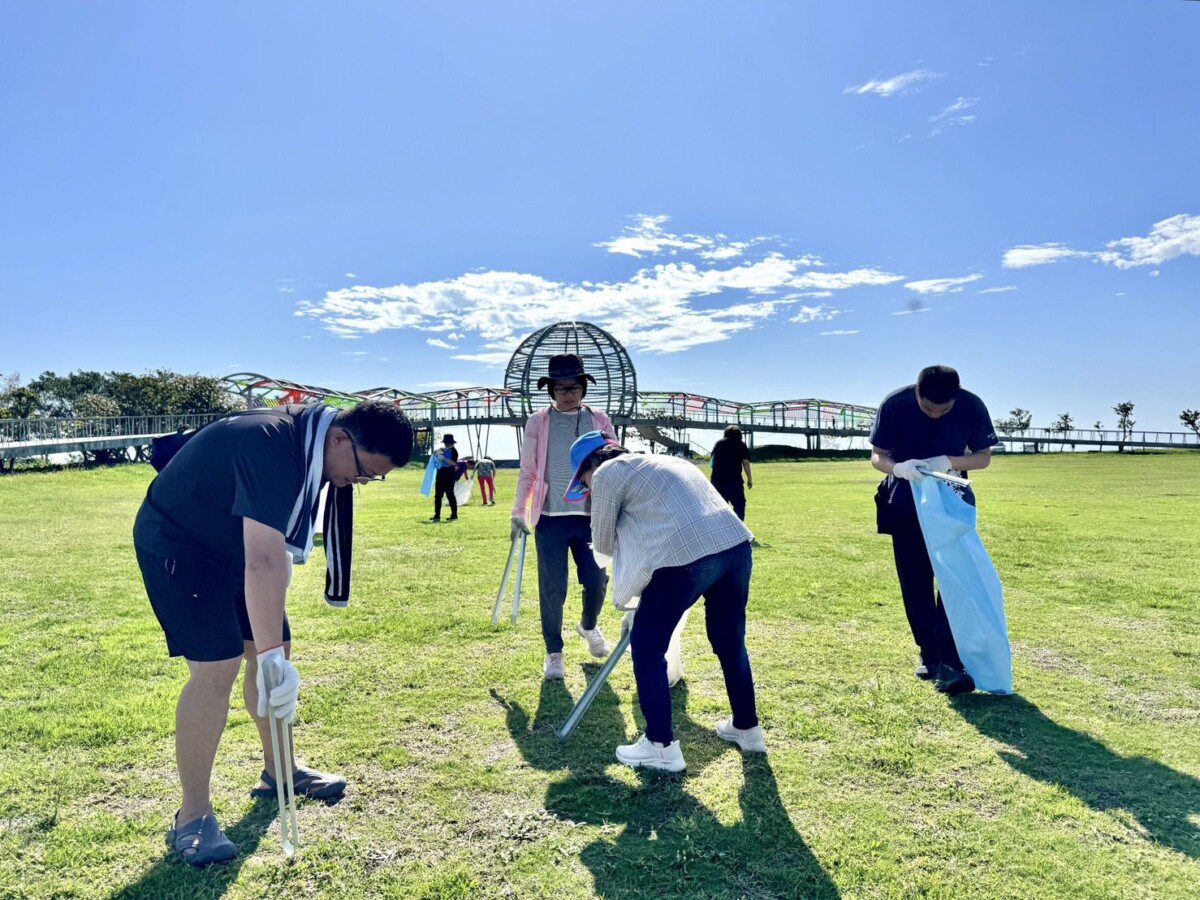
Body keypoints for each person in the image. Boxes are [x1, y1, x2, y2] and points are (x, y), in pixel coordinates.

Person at [132, 400, 414, 865]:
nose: (359, 483)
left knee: (274, 647)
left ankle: (280, 773)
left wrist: (272, 654)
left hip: (234, 546)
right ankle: (192, 816)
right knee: (217, 667)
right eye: (364, 472)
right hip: (181, 543)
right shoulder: (273, 445)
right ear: (341, 439)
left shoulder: (309, 444)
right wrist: (268, 660)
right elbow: (262, 558)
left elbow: (273, 555)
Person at [569, 431, 762, 772]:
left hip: (687, 556)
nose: (587, 488)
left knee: (646, 645)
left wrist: (596, 502)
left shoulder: (607, 473)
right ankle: (747, 728)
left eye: (583, 482)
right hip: (735, 546)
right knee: (730, 640)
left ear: (591, 464)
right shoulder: (667, 460)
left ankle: (660, 746)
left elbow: (601, 546)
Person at [869, 365, 999, 697]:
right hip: (905, 499)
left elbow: (983, 458)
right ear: (916, 392)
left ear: (956, 398)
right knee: (915, 582)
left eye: (944, 410)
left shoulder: (972, 406)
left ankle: (949, 657)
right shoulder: (894, 405)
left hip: (952, 500)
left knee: (955, 576)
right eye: (929, 409)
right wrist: (898, 467)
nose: (936, 414)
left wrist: (950, 461)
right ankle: (931, 655)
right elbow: (877, 456)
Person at [511, 353, 614, 679]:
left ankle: (588, 626)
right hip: (550, 517)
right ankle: (554, 652)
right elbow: (528, 471)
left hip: (590, 517)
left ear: (583, 388)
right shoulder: (538, 422)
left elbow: (614, 464)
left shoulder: (600, 420)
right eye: (560, 388)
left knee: (597, 580)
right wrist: (518, 511)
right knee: (553, 588)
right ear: (551, 390)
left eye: (574, 387)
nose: (568, 393)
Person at [709, 424, 753, 521]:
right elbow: (746, 463)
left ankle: (723, 529)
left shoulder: (718, 443)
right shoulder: (741, 444)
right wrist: (749, 479)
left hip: (717, 480)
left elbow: (711, 463)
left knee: (720, 507)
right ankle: (738, 528)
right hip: (734, 481)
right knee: (739, 505)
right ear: (739, 434)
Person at [430, 433, 459, 522]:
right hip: (440, 473)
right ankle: (437, 515)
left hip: (450, 473)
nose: (447, 444)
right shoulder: (441, 450)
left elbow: (453, 463)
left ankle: (454, 515)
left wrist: (443, 458)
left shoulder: (454, 451)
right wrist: (435, 454)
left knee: (450, 495)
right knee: (438, 496)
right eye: (446, 443)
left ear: (452, 443)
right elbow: (436, 460)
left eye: (449, 443)